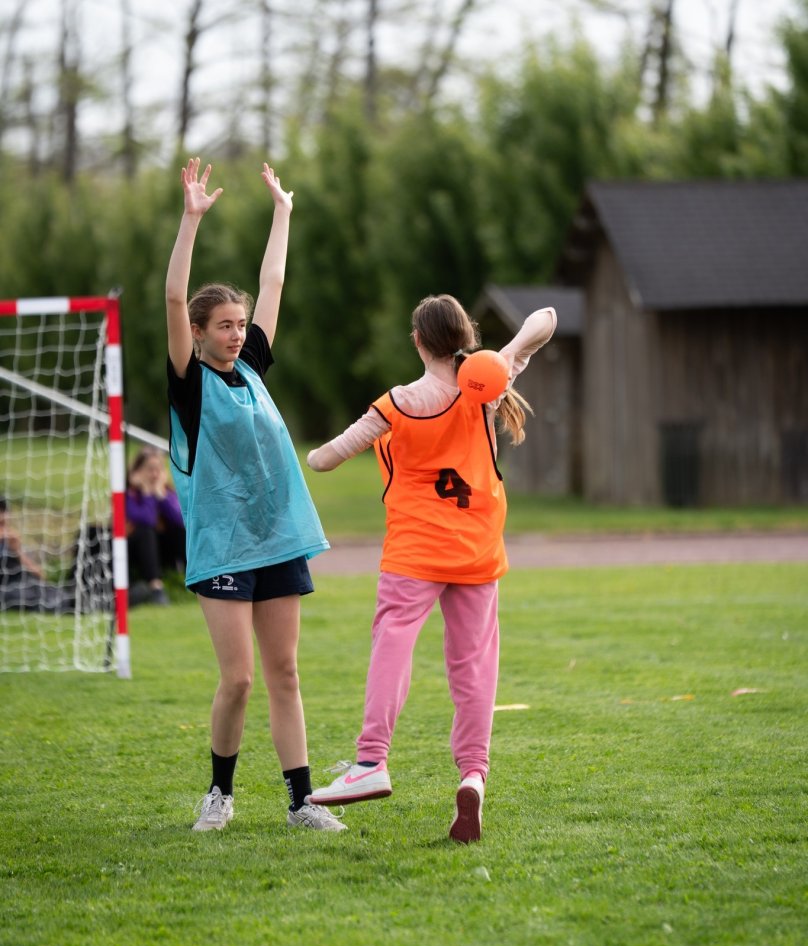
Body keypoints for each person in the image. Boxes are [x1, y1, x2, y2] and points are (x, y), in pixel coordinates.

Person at [306, 294, 556, 843]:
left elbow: (324, 458)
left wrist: (309, 453)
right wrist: (503, 357)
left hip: (415, 552)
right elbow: (547, 319)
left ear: (417, 342)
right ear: (464, 336)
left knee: (392, 643)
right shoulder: (487, 386)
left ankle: (371, 760)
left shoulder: (398, 402)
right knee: (474, 668)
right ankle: (473, 775)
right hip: (477, 550)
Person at [166, 157, 345, 834]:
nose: (237, 333)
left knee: (285, 674)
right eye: (224, 325)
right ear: (200, 332)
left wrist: (283, 212)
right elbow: (173, 298)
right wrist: (191, 221)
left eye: (241, 325)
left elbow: (274, 281)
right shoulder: (190, 383)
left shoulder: (252, 368)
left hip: (277, 538)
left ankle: (302, 803)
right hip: (222, 545)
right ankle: (219, 794)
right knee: (238, 679)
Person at [126, 447, 186, 606]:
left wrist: (161, 496)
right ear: (138, 472)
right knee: (146, 532)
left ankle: (195, 579)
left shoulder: (167, 493)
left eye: (158, 469)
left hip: (165, 552)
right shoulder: (130, 495)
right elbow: (147, 519)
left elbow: (180, 520)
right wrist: (147, 493)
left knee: (181, 532)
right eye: (149, 469)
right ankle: (155, 588)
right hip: (136, 552)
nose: (154, 474)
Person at [0, 496, 74, 614]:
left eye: (4, 523)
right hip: (7, 588)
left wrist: (17, 550)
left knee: (57, 594)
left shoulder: (12, 541)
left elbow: (40, 574)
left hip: (25, 583)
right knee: (21, 595)